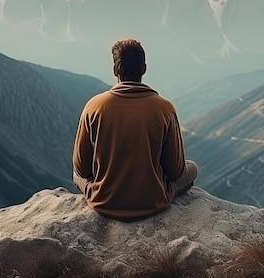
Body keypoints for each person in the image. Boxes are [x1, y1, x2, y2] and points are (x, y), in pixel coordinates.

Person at [72, 38, 198, 221]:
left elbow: (82, 169)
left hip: (104, 201)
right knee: (192, 168)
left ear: (115, 70)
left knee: (75, 175)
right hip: (153, 201)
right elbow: (176, 171)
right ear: (144, 68)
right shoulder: (164, 108)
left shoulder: (94, 106)